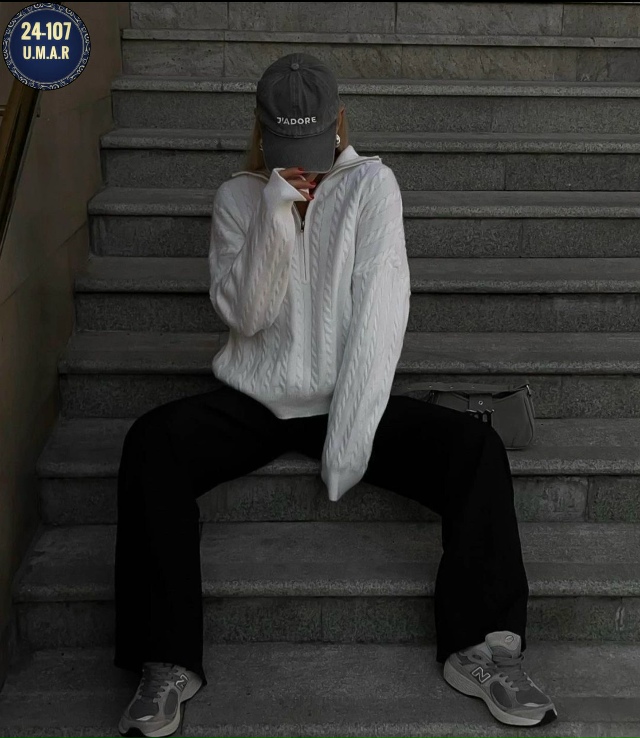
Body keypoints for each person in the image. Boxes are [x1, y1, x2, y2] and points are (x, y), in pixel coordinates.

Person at [114, 52, 558, 737]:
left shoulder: (373, 186)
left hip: (347, 394)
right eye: (289, 151)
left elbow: (382, 311)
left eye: (317, 148)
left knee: (476, 450)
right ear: (261, 132)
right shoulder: (236, 198)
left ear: (340, 123)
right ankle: (165, 661)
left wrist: (350, 439)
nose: (308, 170)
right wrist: (273, 214)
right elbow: (247, 316)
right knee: (150, 444)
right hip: (255, 400)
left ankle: (483, 650)